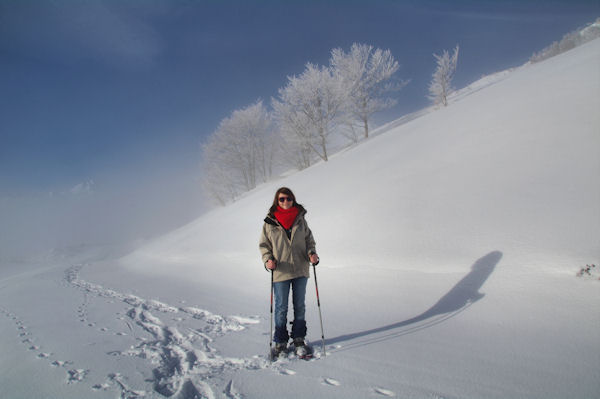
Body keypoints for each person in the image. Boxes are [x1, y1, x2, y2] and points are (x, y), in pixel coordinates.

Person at [259, 187, 319, 357]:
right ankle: (281, 342)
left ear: (293, 199)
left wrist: (312, 253)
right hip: (281, 271)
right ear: (276, 201)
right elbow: (264, 245)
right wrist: (268, 259)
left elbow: (309, 240)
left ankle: (299, 339)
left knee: (300, 306)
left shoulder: (300, 219)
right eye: (282, 199)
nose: (286, 202)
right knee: (280, 308)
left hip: (300, 269)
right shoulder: (269, 222)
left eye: (288, 199)